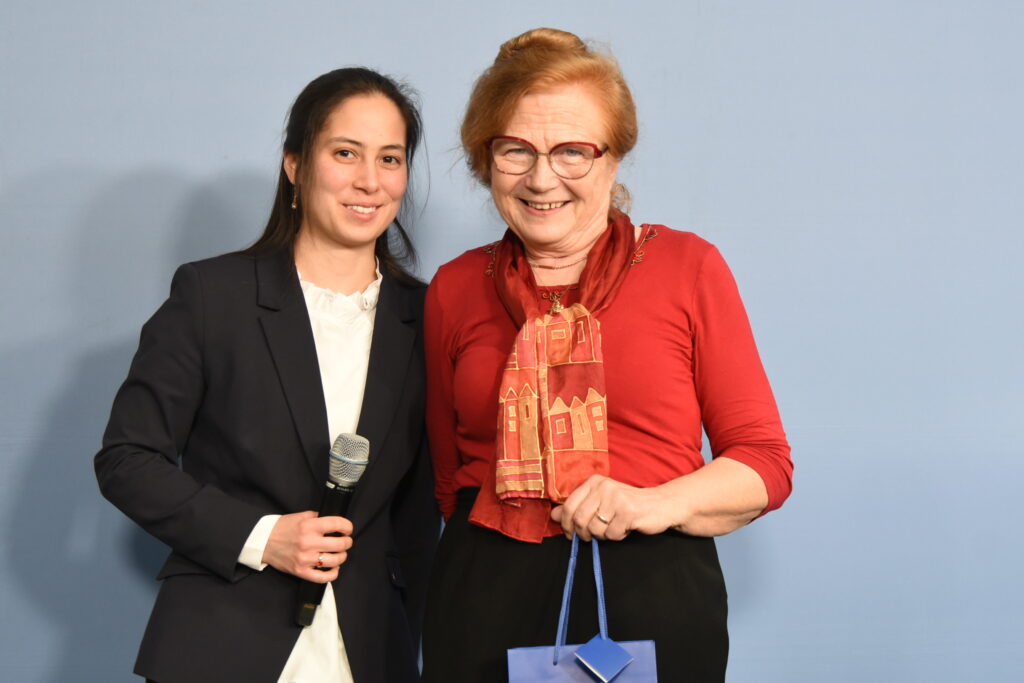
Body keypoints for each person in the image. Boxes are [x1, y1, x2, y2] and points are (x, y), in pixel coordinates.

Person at [421, 28, 793, 682]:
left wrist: (650, 504)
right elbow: (448, 480)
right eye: (516, 150)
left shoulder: (688, 267)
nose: (542, 178)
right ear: (486, 160)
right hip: (484, 596)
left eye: (572, 151)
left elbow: (764, 464)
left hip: (652, 588)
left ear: (614, 158)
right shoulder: (454, 287)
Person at [95, 67, 438, 683]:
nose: (369, 180)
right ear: (295, 165)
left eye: (390, 158)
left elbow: (420, 517)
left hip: (372, 651)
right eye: (345, 153)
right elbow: (127, 460)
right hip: (220, 644)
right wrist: (262, 537)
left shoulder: (431, 315)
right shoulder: (213, 295)